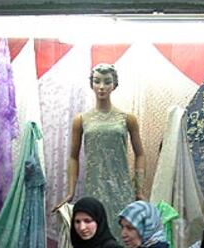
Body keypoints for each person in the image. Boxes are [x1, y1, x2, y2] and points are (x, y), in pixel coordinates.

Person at [54, 63, 146, 237]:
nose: (102, 87)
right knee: (96, 235)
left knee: (121, 234)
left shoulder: (127, 119)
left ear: (114, 85)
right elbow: (73, 157)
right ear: (91, 84)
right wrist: (70, 191)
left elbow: (140, 154)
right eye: (97, 81)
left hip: (121, 188)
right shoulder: (81, 120)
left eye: (107, 82)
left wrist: (139, 189)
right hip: (94, 186)